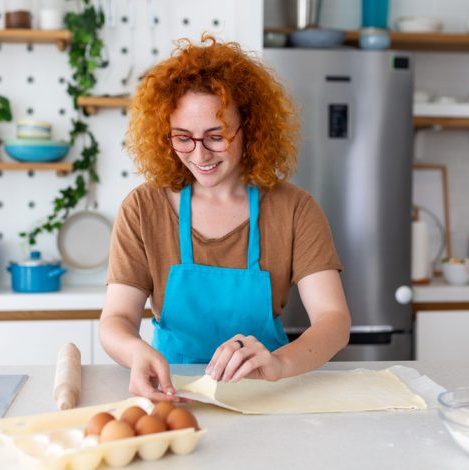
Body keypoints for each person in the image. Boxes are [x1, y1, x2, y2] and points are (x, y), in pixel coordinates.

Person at [99, 35, 351, 402]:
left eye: (216, 137)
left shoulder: (294, 209)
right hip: (173, 390)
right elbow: (116, 319)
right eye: (183, 138)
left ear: (249, 128)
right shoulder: (143, 209)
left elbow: (334, 320)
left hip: (267, 393)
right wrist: (136, 352)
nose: (200, 154)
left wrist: (279, 363)